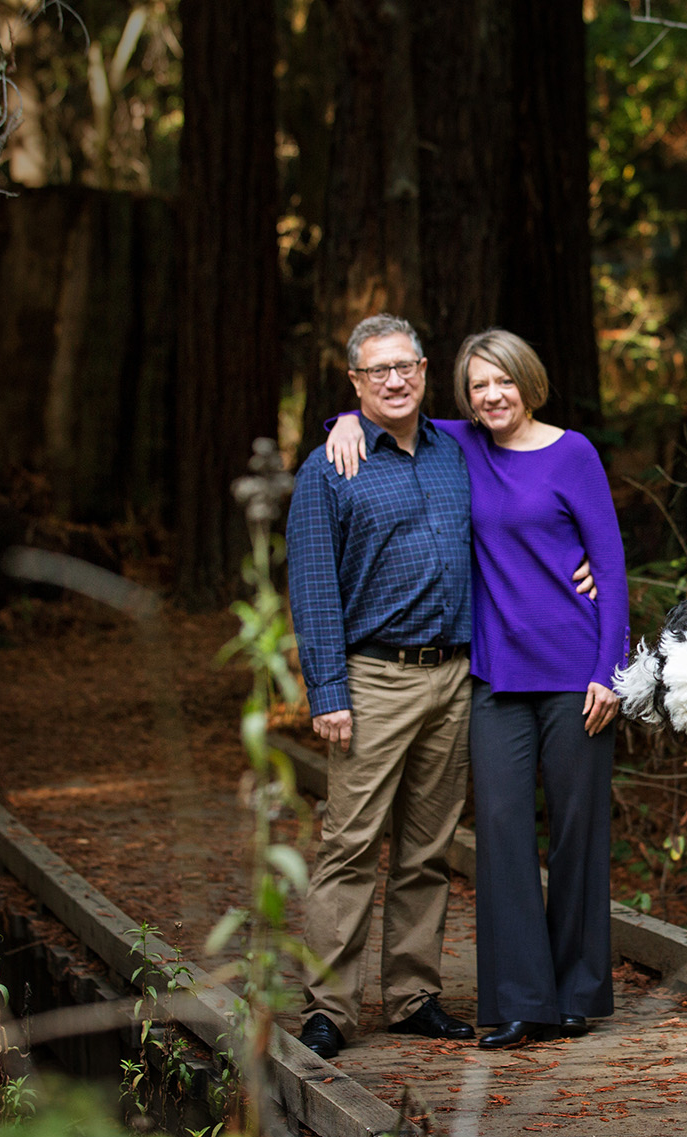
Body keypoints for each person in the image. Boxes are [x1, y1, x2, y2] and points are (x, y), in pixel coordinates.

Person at [322, 328, 628, 1051]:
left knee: (579, 832)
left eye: (504, 382)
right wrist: (338, 418)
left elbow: (610, 566)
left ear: (529, 381)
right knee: (499, 835)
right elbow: (389, 410)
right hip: (493, 676)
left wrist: (609, 670)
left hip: (576, 672)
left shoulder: (572, 452)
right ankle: (523, 1001)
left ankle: (578, 992)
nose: (492, 396)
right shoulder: (461, 446)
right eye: (479, 386)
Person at [285, 313, 480, 1058]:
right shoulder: (329, 466)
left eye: (407, 367)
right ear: (355, 382)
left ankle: (412, 994)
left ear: (426, 370)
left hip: (453, 674)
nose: (395, 381)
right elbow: (311, 584)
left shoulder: (456, 449)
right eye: (378, 372)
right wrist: (327, 690)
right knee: (351, 844)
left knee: (428, 848)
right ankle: (329, 1007)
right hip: (373, 678)